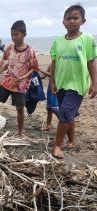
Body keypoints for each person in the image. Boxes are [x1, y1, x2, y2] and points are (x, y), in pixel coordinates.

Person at [50, 4, 97, 159]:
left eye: (75, 18)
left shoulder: (87, 39)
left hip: (78, 85)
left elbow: (91, 62)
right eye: (68, 18)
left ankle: (57, 145)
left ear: (83, 20)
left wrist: (94, 83)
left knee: (64, 114)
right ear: (63, 22)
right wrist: (52, 81)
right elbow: (54, 63)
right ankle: (72, 140)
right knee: (68, 114)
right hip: (61, 83)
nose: (71, 21)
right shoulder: (58, 41)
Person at [0, 20, 39, 136]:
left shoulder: (29, 51)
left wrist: (24, 77)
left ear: (24, 34)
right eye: (12, 34)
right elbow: (7, 63)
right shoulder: (10, 48)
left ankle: (20, 132)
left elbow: (34, 68)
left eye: (16, 34)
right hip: (8, 80)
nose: (13, 37)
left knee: (20, 108)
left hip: (21, 84)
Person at [39, 64, 59, 131]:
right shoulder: (51, 64)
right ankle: (48, 126)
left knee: (54, 108)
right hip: (49, 89)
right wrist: (35, 75)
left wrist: (40, 70)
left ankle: (64, 122)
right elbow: (43, 77)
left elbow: (53, 75)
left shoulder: (59, 64)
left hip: (56, 89)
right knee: (49, 109)